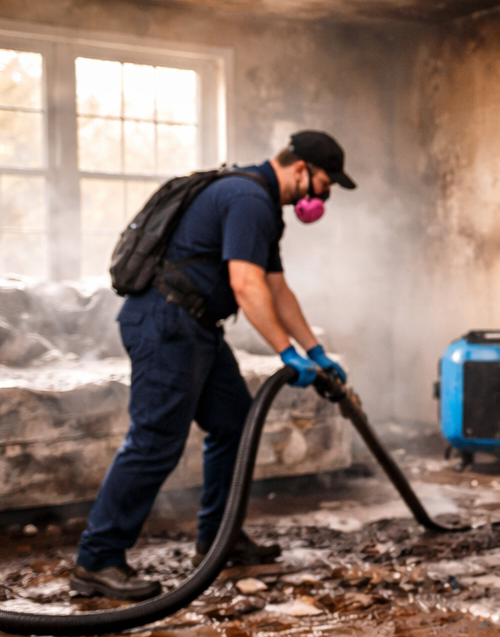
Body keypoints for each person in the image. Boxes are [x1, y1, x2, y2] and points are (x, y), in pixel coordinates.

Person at [71, 131, 357, 601]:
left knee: (234, 423)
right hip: (167, 322)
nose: (321, 199)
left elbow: (276, 288)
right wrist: (285, 352)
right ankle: (97, 560)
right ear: (301, 169)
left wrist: (314, 350)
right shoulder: (248, 199)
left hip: (195, 325)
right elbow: (245, 285)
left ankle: (218, 539)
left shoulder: (262, 205)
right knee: (155, 441)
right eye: (324, 185)